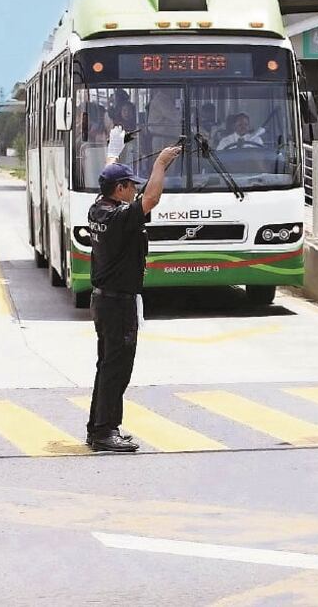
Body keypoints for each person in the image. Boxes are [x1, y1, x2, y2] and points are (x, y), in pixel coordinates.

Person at [86, 147, 182, 452]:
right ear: (120, 189)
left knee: (108, 367)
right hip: (117, 304)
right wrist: (160, 164)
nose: (136, 190)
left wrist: (114, 155)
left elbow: (110, 176)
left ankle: (100, 428)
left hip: (106, 301)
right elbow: (152, 199)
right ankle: (103, 432)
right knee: (117, 369)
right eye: (131, 185)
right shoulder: (119, 217)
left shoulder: (98, 209)